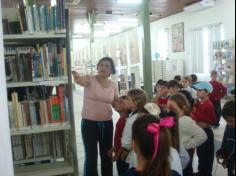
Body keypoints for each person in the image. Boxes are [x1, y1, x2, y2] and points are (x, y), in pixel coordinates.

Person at [72, 57, 118, 176]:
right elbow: (81, 81)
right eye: (101, 65)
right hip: (89, 123)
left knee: (106, 154)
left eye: (107, 66)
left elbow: (116, 102)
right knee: (91, 156)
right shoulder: (90, 79)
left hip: (107, 124)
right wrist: (77, 77)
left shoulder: (113, 85)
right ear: (97, 67)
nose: (103, 67)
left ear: (111, 70)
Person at [168, 93, 207, 176]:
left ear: (183, 107)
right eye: (168, 108)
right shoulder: (174, 119)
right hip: (177, 154)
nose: (169, 111)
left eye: (172, 108)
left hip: (184, 155)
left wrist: (185, 146)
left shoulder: (185, 121)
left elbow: (202, 136)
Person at [191, 82, 216, 176]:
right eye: (197, 90)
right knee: (200, 154)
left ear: (207, 92)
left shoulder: (208, 105)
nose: (197, 92)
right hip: (200, 131)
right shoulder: (201, 102)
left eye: (200, 90)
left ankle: (206, 173)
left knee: (207, 156)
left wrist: (194, 114)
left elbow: (212, 120)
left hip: (206, 132)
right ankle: (201, 171)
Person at [121, 89, 148, 169]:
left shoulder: (132, 120)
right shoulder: (147, 114)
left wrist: (123, 155)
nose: (125, 101)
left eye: (127, 99)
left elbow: (127, 144)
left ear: (135, 103)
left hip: (135, 158)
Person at [109, 96, 130, 175]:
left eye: (120, 102)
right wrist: (114, 148)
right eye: (118, 101)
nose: (116, 103)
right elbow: (118, 138)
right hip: (120, 154)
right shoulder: (121, 120)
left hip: (123, 156)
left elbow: (125, 142)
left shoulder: (125, 121)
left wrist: (117, 155)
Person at [216, 100, 235, 176]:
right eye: (227, 121)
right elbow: (226, 141)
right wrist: (221, 152)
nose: (229, 124)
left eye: (231, 121)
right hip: (231, 165)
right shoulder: (229, 127)